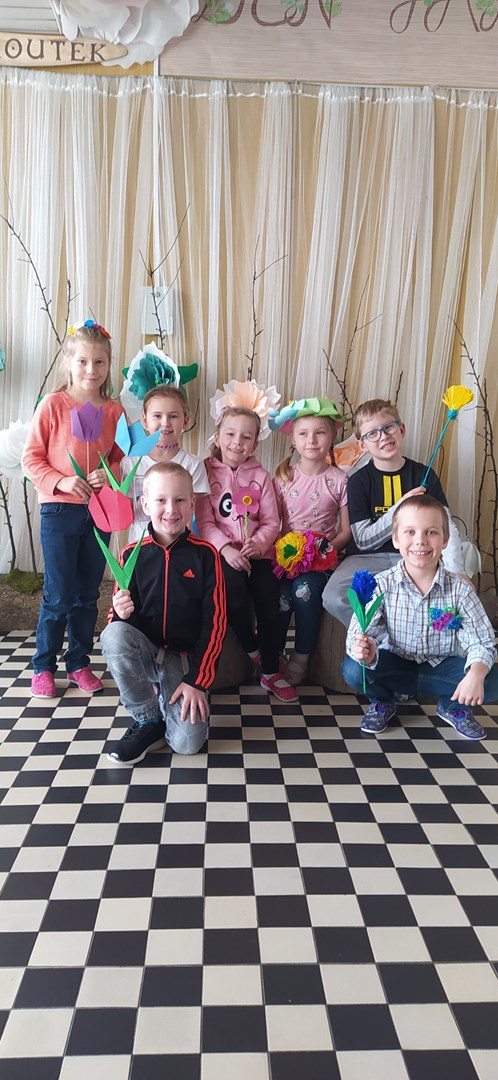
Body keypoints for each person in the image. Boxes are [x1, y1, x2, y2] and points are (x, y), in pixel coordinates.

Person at [21, 319, 123, 698]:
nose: (90, 370)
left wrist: (108, 474)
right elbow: (31, 459)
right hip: (59, 512)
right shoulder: (53, 405)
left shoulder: (113, 411)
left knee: (87, 593)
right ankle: (43, 666)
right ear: (68, 362)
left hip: (99, 512)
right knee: (58, 593)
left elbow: (121, 458)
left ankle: (79, 662)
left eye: (99, 362)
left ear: (108, 364)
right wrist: (62, 481)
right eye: (82, 361)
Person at [342, 494, 498, 739]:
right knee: (353, 668)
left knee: (492, 679)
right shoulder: (382, 585)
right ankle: (382, 701)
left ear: (445, 539)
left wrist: (476, 674)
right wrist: (364, 648)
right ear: (395, 539)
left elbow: (483, 641)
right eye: (410, 532)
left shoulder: (460, 589)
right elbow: (359, 632)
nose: (420, 541)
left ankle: (453, 706)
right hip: (396, 664)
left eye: (431, 532)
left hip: (442, 667)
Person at [101, 462, 226, 765]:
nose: (171, 509)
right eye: (161, 500)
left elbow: (216, 624)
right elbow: (119, 627)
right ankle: (147, 719)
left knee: (187, 744)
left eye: (180, 500)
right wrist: (121, 613)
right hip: (147, 654)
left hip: (184, 663)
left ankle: (167, 706)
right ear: (145, 504)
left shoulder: (206, 555)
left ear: (192, 504)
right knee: (113, 634)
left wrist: (197, 680)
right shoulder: (131, 554)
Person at [322, 397, 465, 627]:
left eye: (388, 427)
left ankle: (411, 640)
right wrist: (401, 507)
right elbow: (364, 540)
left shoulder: (423, 475)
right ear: (362, 445)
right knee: (334, 597)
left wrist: (457, 571)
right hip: (364, 559)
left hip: (414, 556)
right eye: (372, 433)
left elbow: (446, 528)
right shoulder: (357, 482)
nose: (383, 436)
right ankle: (382, 636)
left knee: (441, 596)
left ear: (402, 430)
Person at [195, 405, 298, 703]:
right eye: (230, 434)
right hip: (223, 555)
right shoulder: (205, 473)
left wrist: (260, 544)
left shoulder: (261, 476)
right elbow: (205, 523)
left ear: (255, 443)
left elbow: (271, 521)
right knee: (233, 594)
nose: (237, 442)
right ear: (217, 437)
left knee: (269, 601)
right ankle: (253, 649)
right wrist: (225, 548)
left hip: (258, 555)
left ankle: (270, 671)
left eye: (246, 437)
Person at [272, 398, 351, 685]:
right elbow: (274, 525)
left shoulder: (340, 480)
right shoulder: (283, 478)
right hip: (285, 561)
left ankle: (301, 657)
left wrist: (323, 551)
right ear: (293, 439)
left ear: (332, 437)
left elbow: (346, 531)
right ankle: (273, 656)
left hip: (322, 563)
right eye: (303, 433)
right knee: (281, 598)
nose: (312, 440)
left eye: (320, 433)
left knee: (304, 591)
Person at [120, 384, 209, 542]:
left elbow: (193, 516)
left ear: (185, 420)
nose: (165, 423)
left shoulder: (193, 464)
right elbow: (122, 513)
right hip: (140, 548)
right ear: (144, 420)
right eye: (157, 416)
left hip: (179, 548)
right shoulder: (129, 463)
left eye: (173, 416)